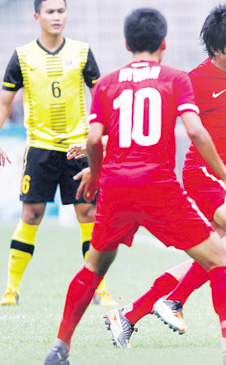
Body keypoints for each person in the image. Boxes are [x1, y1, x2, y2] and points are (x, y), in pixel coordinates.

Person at [44, 8, 226, 365]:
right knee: (219, 260)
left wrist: (95, 173)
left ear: (126, 44)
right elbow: (195, 131)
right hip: (160, 187)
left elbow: (96, 138)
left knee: (93, 269)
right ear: (164, 44)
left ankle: (60, 346)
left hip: (115, 187)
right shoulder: (176, 79)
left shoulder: (107, 83)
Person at [100, 3, 226, 345]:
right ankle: (175, 300)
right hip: (205, 173)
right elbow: (154, 117)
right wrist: (100, 139)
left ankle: (127, 314)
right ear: (215, 49)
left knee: (211, 252)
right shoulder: (194, 81)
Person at [0, 0, 115, 306]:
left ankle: (99, 289)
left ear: (66, 15)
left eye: (61, 11)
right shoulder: (22, 56)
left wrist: (98, 138)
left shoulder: (81, 52)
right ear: (37, 16)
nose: (56, 16)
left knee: (88, 214)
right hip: (40, 149)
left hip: (77, 149)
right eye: (49, 11)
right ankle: (11, 288)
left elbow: (100, 98)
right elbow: (4, 102)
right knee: (31, 214)